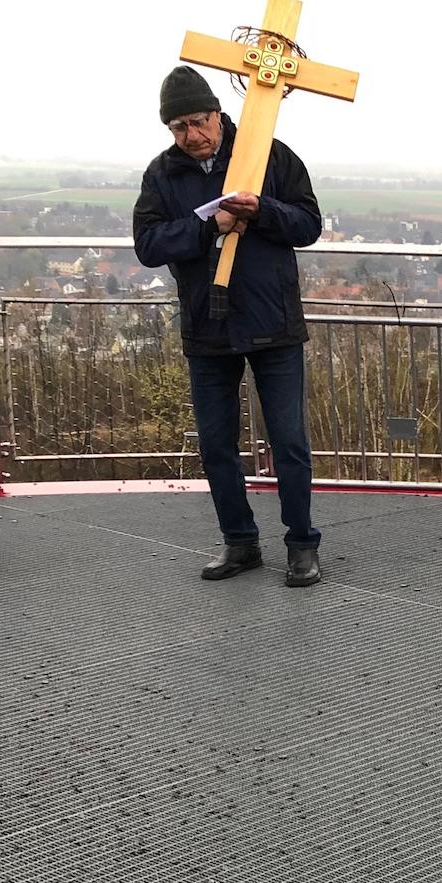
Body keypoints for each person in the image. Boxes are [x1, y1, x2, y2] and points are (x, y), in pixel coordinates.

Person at [132, 66, 324, 587]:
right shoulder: (162, 175)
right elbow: (147, 246)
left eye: (197, 121)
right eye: (177, 127)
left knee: (288, 442)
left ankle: (301, 545)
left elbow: (309, 223)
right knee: (216, 445)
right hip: (207, 324)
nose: (190, 136)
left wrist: (262, 211)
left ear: (219, 114)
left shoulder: (270, 155)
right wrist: (204, 224)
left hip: (273, 322)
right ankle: (240, 543)